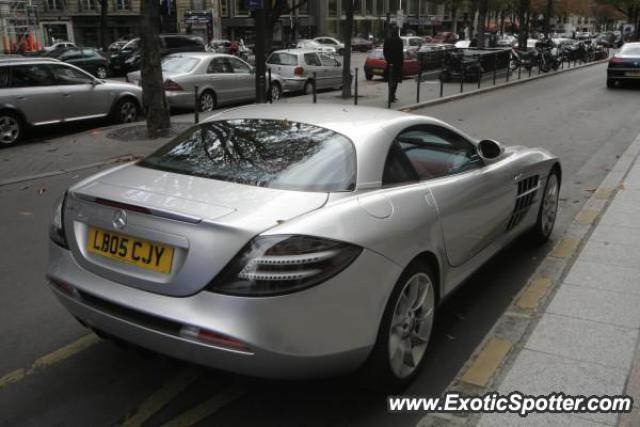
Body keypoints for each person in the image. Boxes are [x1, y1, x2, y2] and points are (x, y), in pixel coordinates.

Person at [383, 25, 404, 103]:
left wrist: (388, 60)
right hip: (397, 63)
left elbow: (385, 51)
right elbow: (401, 53)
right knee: (395, 80)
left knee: (390, 80)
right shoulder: (399, 41)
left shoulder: (387, 40)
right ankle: (392, 95)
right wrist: (401, 63)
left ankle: (391, 95)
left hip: (390, 63)